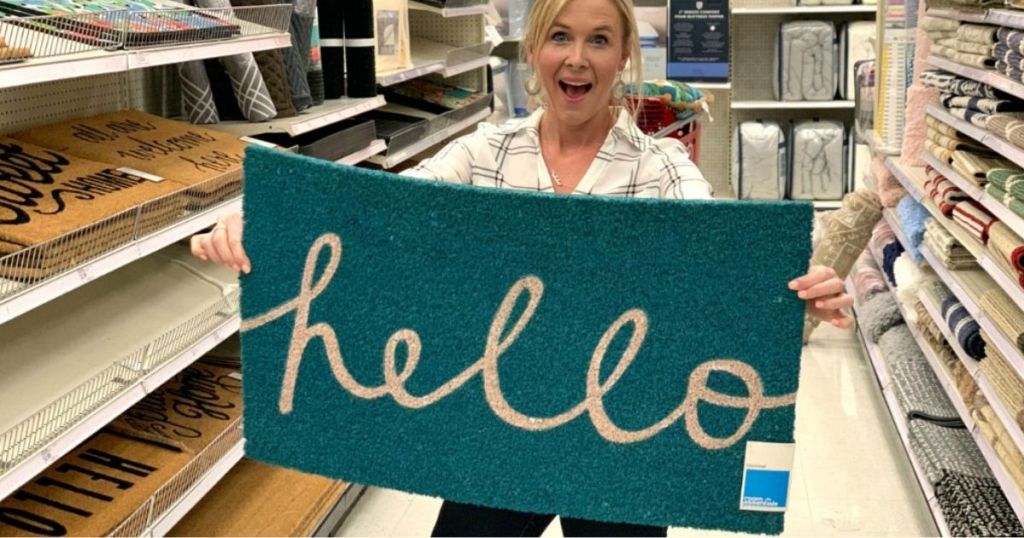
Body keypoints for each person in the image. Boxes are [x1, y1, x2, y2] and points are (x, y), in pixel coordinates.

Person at [192, 0, 854, 534]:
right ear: (535, 49)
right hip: (497, 436)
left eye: (599, 39)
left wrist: (793, 292)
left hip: (621, 445)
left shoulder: (661, 169)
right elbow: (380, 217)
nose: (577, 56)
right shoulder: (486, 155)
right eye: (560, 35)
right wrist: (268, 228)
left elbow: (722, 266)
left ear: (624, 55)